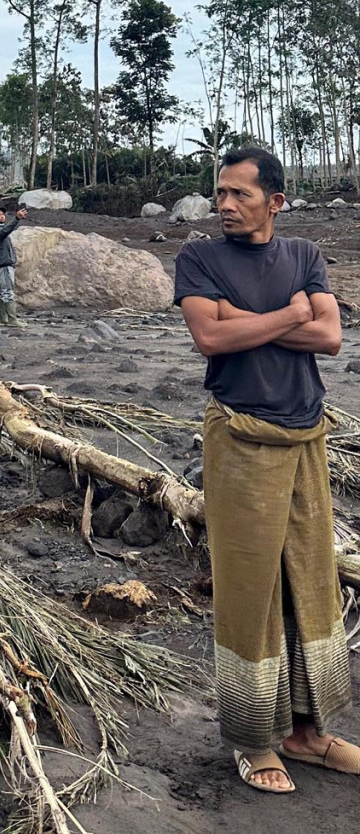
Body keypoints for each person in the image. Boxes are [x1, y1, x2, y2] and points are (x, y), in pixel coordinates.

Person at [175, 147, 351, 795]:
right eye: (220, 192)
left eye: (239, 194)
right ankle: (254, 739)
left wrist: (251, 322)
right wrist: (291, 315)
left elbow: (330, 336)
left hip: (306, 431)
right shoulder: (201, 258)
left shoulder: (303, 254)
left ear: (275, 201)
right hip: (240, 435)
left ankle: (308, 732)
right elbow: (211, 339)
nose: (224, 204)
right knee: (250, 586)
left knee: (310, 578)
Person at [0, 205, 27, 327]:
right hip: (4, 265)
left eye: (2, 214)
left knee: (2, 292)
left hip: (2, 264)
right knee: (8, 292)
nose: (2, 216)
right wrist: (17, 219)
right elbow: (5, 231)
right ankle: (12, 320)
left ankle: (2, 318)